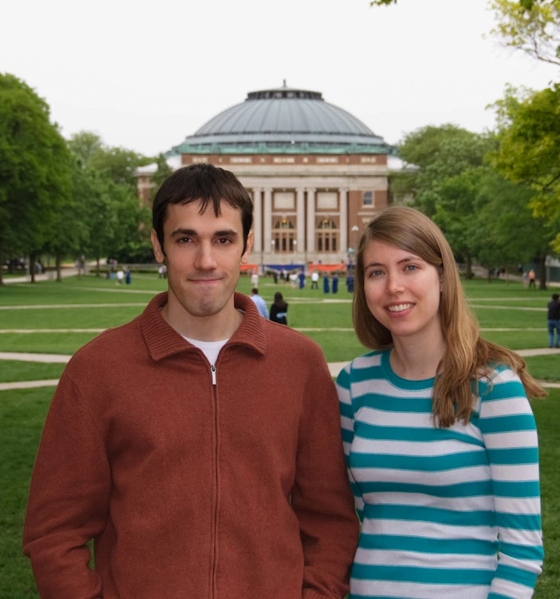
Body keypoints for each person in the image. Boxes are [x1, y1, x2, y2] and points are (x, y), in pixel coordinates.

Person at [23, 164, 358, 599]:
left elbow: (330, 521)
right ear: (158, 247)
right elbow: (54, 532)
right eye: (186, 239)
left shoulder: (299, 364)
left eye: (223, 239)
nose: (205, 261)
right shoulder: (98, 369)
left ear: (247, 246)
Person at [337, 206, 545, 599]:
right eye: (376, 272)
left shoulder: (494, 387)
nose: (393, 286)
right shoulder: (354, 384)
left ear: (444, 277)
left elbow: (523, 552)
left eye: (410, 267)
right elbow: (363, 513)